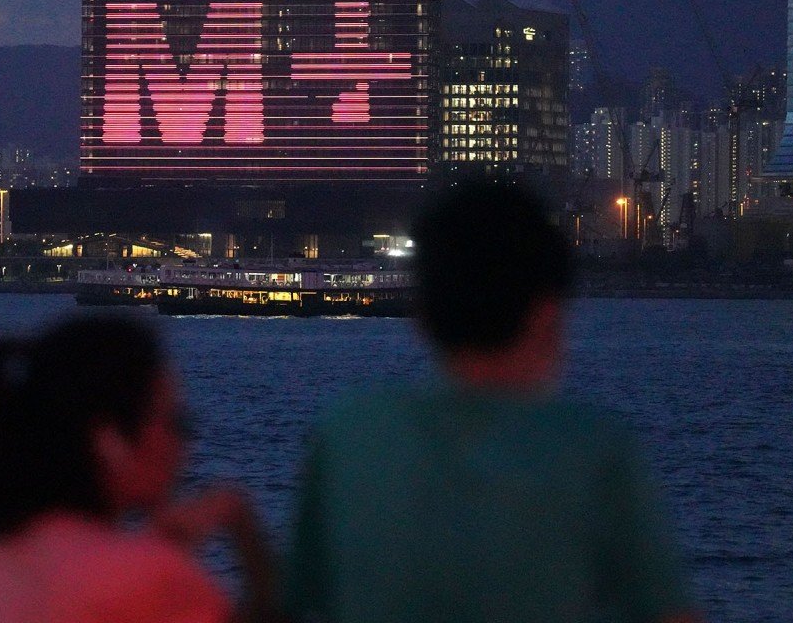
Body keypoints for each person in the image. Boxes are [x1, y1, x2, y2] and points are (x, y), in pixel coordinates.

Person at [284, 182, 700, 623]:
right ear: (548, 313)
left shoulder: (349, 435)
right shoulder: (597, 451)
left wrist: (242, 531)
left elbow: (286, 601)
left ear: (423, 315)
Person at [0, 315, 275, 623]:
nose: (185, 442)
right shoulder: (152, 578)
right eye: (175, 422)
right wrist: (243, 529)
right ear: (109, 439)